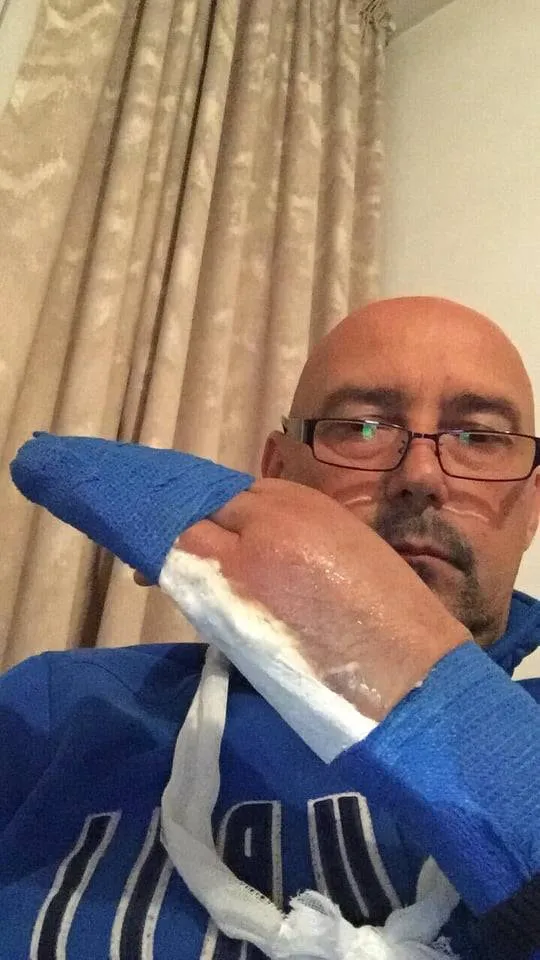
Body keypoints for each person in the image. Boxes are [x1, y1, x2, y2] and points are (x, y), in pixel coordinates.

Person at [2, 296, 540, 959]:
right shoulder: (57, 708)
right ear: (279, 472)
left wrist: (439, 701)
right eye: (363, 427)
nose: (421, 475)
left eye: (479, 438)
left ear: (532, 507)